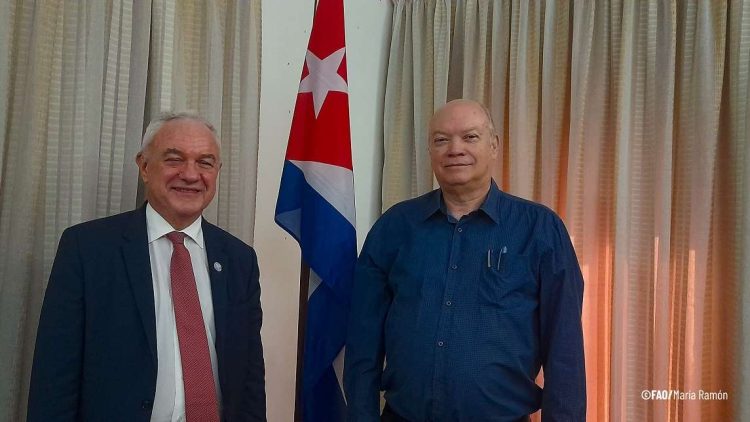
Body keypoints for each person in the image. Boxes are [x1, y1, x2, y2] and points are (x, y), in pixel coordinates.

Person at [344, 99, 585, 421]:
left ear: (494, 145)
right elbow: (363, 342)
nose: (454, 149)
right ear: (430, 150)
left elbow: (564, 349)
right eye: (441, 140)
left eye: (470, 137)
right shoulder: (394, 227)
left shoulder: (540, 229)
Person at [27, 112, 266, 421]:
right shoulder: (87, 249)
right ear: (143, 166)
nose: (191, 175)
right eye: (174, 159)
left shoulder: (239, 260)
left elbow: (249, 380)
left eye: (205, 162)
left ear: (217, 171)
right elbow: (54, 378)